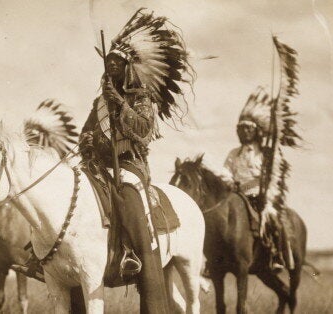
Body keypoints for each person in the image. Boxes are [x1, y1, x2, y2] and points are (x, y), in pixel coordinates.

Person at [79, 9, 194, 313]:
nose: (112, 66)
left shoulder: (141, 98)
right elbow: (88, 129)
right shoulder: (100, 100)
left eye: (117, 62)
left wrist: (120, 104)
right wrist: (88, 143)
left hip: (130, 166)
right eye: (109, 63)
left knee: (128, 198)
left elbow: (143, 132)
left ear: (127, 66)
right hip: (99, 165)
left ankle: (136, 255)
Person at [221, 88, 286, 271]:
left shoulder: (266, 154)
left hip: (261, 196)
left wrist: (267, 195)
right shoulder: (234, 153)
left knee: (271, 219)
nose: (244, 131)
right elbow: (225, 172)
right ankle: (215, 261)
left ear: (256, 131)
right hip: (237, 195)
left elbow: (274, 177)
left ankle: (276, 255)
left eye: (248, 128)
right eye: (241, 128)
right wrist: (230, 183)